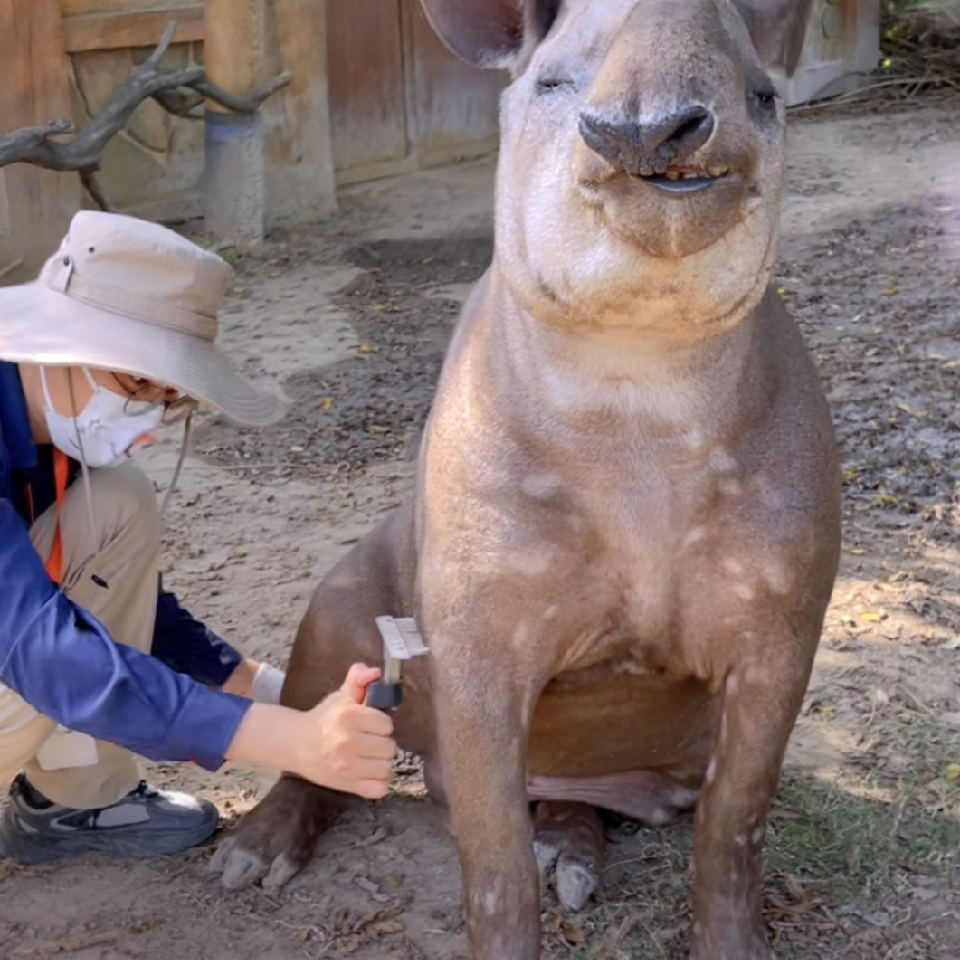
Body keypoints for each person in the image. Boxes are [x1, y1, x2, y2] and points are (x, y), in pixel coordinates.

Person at [0, 211, 397, 866]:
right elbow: (47, 654)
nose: (151, 417)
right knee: (66, 654)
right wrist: (291, 742)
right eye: (135, 382)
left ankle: (73, 802)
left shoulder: (49, 428)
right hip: (31, 652)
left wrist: (266, 688)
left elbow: (111, 600)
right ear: (58, 343)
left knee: (119, 500)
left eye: (169, 394)